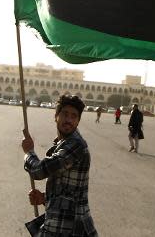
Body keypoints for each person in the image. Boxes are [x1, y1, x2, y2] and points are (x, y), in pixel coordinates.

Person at [21, 95, 98, 236]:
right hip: (62, 225)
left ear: (78, 121)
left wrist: (28, 152)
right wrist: (44, 198)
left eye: (74, 116)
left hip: (71, 229)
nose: (68, 120)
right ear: (56, 116)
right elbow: (69, 191)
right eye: (65, 114)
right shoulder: (63, 144)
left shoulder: (75, 145)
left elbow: (38, 171)